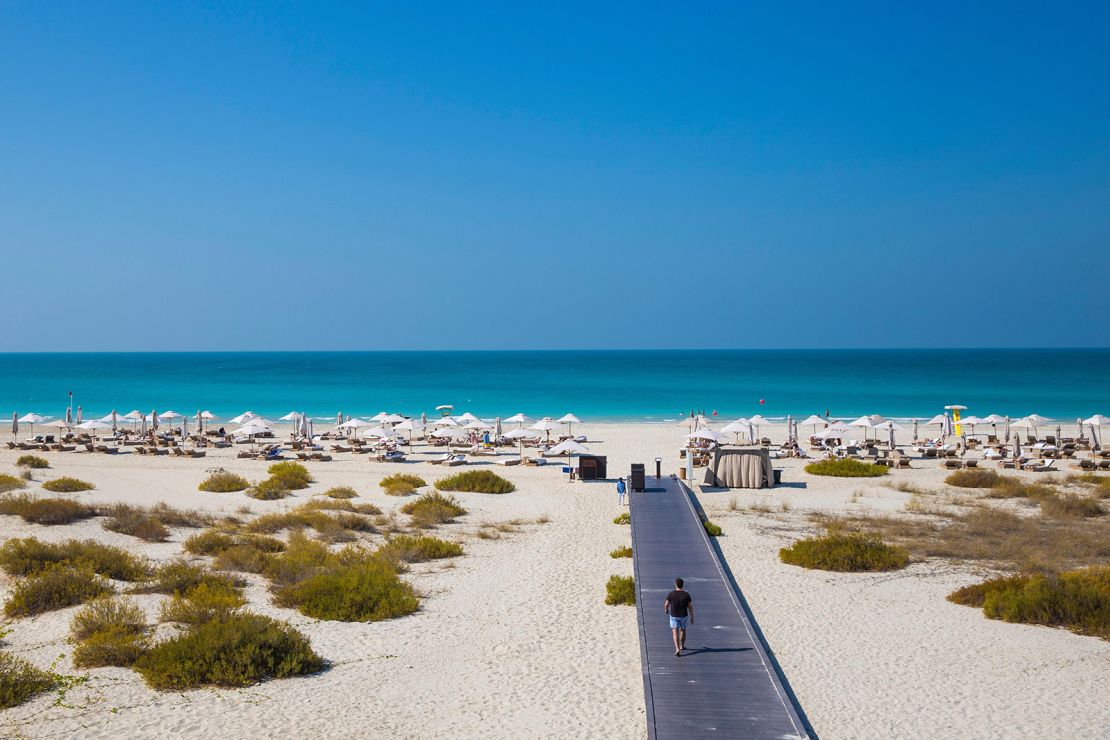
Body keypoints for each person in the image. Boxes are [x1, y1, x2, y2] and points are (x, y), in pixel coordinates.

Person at [664, 578, 694, 656]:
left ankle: (677, 649)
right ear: (682, 585)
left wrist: (666, 610)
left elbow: (666, 604)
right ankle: (682, 646)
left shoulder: (671, 593)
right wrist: (692, 616)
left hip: (674, 616)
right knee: (683, 631)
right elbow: (690, 607)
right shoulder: (686, 594)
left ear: (676, 584)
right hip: (683, 616)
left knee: (675, 633)